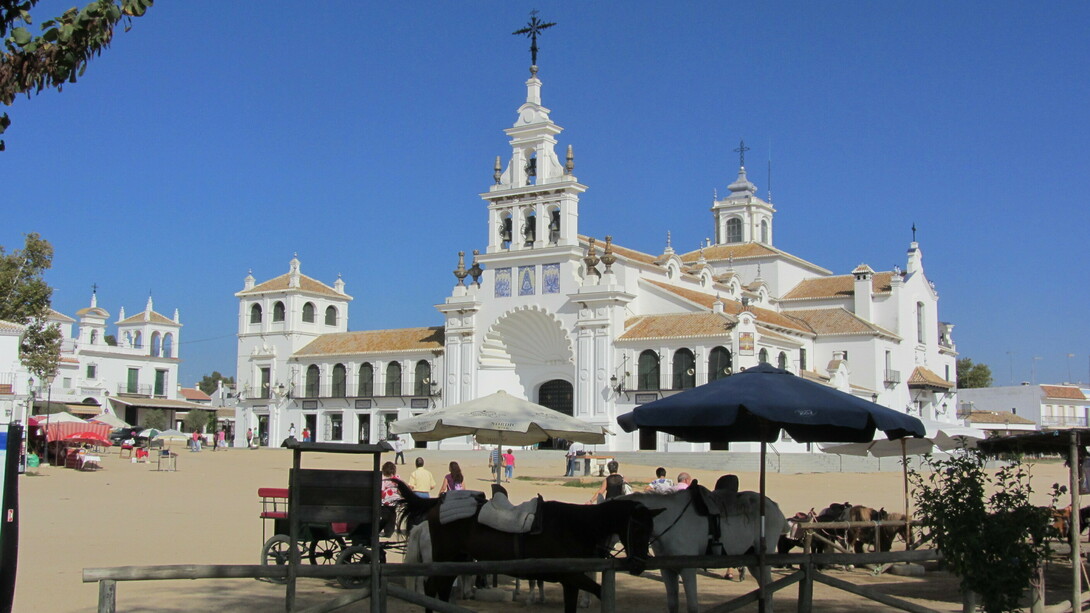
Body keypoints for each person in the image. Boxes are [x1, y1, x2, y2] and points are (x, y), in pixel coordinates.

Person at [379, 461, 401, 537]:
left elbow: (381, 490)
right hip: (395, 500)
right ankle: (390, 532)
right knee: (392, 516)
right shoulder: (397, 478)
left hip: (385, 501)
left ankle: (386, 531)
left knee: (385, 516)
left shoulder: (383, 480)